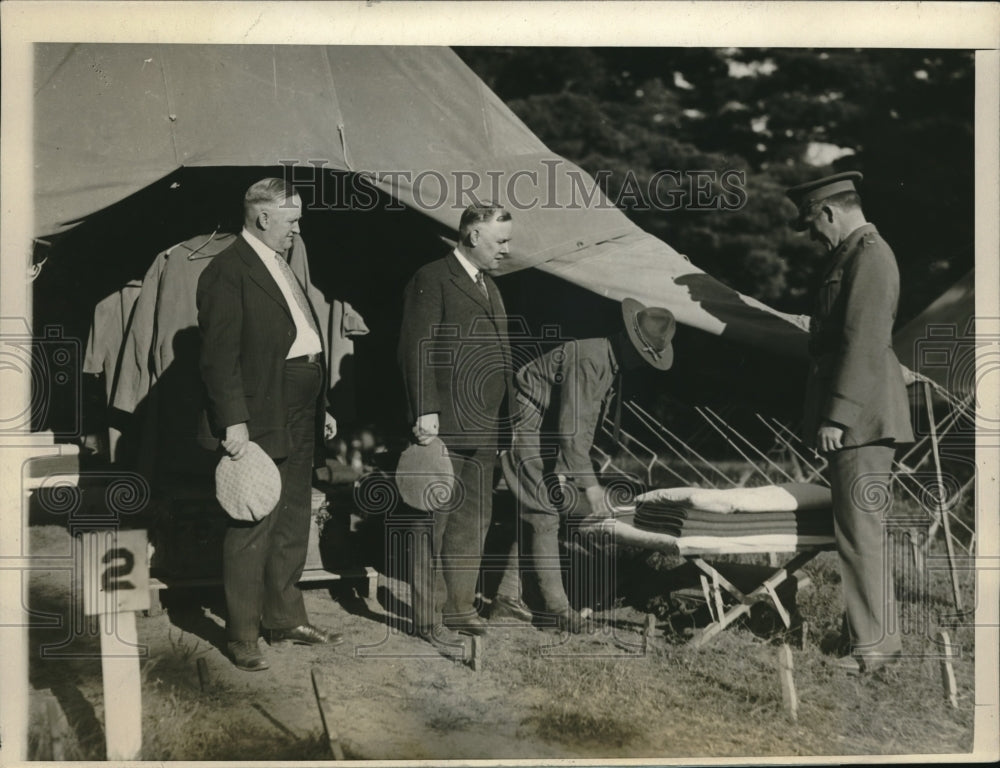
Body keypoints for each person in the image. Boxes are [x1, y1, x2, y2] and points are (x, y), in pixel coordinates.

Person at [197, 178, 341, 671]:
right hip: (260, 411)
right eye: (291, 221)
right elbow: (218, 358)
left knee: (294, 514)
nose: (297, 230)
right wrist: (232, 421)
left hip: (302, 405)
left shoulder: (280, 264)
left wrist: (323, 404)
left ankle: (285, 618)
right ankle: (242, 633)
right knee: (254, 516)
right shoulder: (227, 271)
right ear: (262, 217)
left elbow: (299, 334)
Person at [786, 171, 914, 676]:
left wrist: (836, 415)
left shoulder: (870, 256)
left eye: (813, 225)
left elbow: (863, 342)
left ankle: (876, 649)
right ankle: (870, 636)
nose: (815, 237)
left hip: (861, 419)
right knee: (858, 532)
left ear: (830, 212)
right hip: (861, 417)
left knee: (861, 533)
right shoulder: (854, 255)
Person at [495, 299, 675, 631]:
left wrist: (565, 471)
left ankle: (508, 599)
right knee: (545, 513)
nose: (643, 362)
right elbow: (570, 431)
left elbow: (580, 426)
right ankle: (557, 611)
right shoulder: (590, 361)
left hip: (546, 426)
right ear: (628, 339)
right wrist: (591, 486)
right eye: (643, 353)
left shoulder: (609, 364)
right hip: (528, 421)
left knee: (538, 509)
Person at [397, 202, 514, 645]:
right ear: (472, 236)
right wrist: (425, 410)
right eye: (500, 241)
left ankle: (460, 607)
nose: (506, 249)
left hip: (485, 424)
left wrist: (505, 423)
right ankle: (427, 618)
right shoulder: (432, 278)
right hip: (444, 423)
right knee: (431, 521)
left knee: (473, 519)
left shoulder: (490, 287)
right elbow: (416, 347)